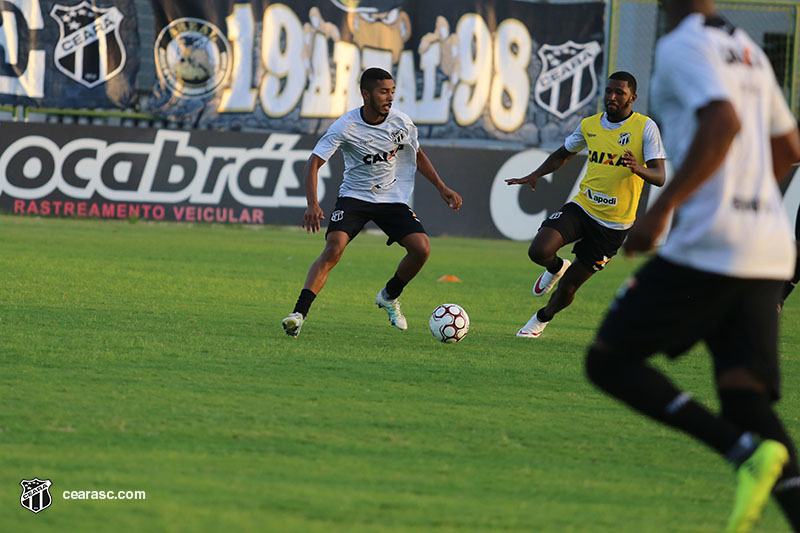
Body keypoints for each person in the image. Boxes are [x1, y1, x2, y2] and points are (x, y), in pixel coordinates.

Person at [584, 1, 800, 531]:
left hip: (711, 244)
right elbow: (788, 147)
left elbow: (722, 121)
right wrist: (753, 205)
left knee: (609, 360)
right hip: (767, 244)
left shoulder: (682, 45)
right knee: (745, 397)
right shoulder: (748, 51)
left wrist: (660, 213)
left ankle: (739, 451)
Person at [282, 67, 462, 338]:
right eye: (383, 92)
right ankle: (298, 314)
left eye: (392, 91)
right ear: (366, 94)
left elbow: (418, 155)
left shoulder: (401, 122)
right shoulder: (346, 126)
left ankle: (389, 296)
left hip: (391, 199)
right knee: (333, 248)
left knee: (421, 249)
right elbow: (313, 163)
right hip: (354, 197)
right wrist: (312, 203)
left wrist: (441, 187)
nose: (389, 97)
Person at [505, 72, 666, 338]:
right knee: (539, 250)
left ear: (632, 98)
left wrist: (638, 168)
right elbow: (562, 154)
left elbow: (660, 177)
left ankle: (540, 319)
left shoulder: (645, 127)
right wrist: (535, 174)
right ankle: (556, 266)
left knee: (568, 289)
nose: (612, 97)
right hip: (583, 207)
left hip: (613, 225)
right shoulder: (590, 124)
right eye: (609, 91)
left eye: (619, 93)